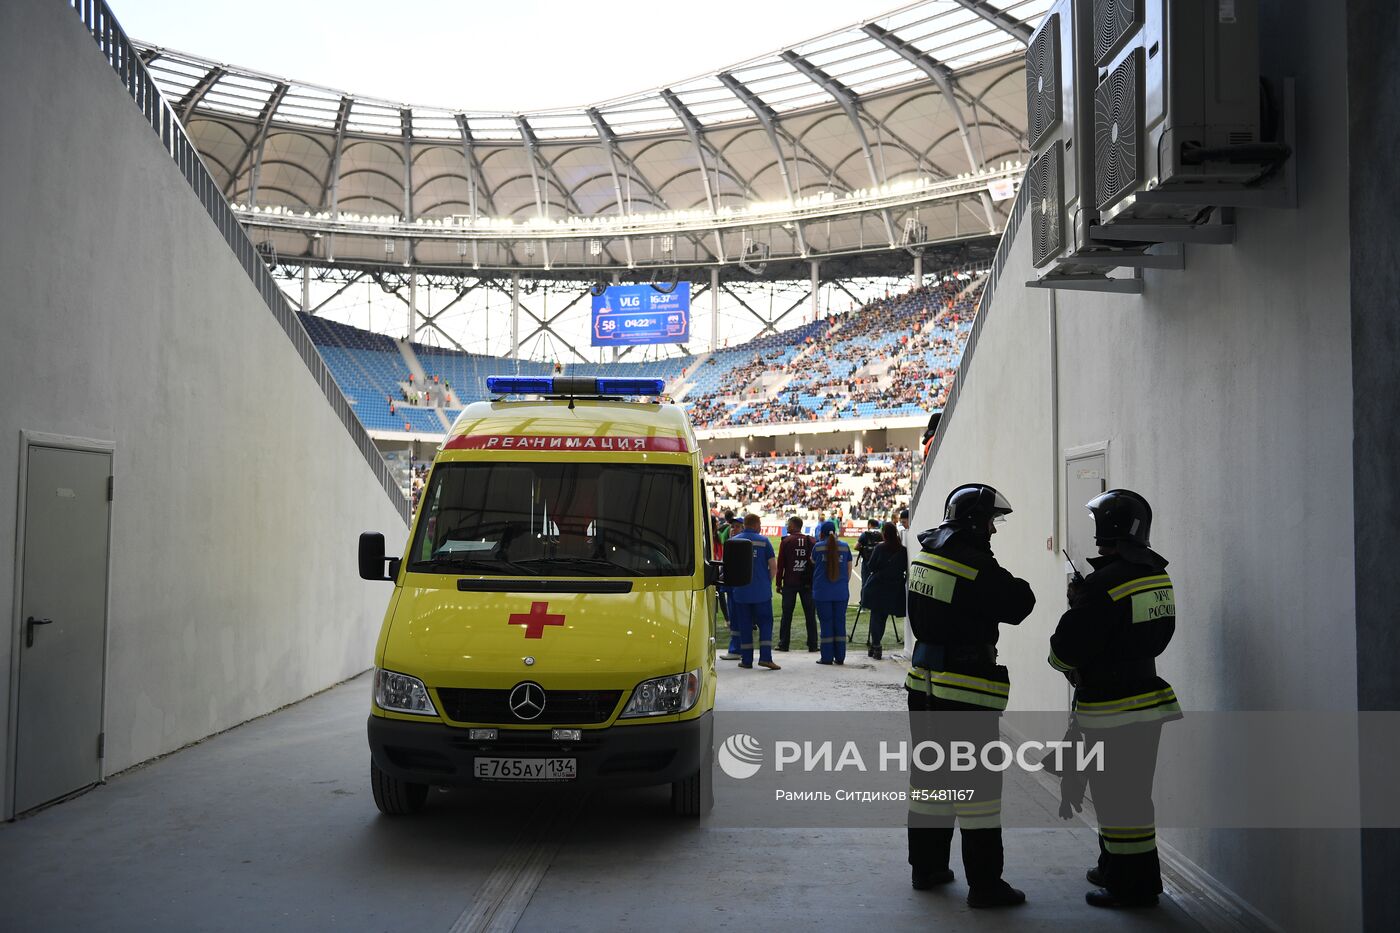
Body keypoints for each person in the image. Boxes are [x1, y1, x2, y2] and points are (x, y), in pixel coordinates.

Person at [1048, 489, 1181, 909]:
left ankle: (1131, 887)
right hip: (1148, 699)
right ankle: (1116, 867)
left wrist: (1077, 605)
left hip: (1109, 709)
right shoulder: (1157, 575)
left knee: (1117, 800)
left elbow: (1064, 651)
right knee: (1132, 794)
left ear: (1108, 530)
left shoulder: (1103, 584)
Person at [905, 483, 1035, 908]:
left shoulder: (928, 554)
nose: (994, 531)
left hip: (923, 686)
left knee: (931, 783)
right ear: (976, 522)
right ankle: (985, 885)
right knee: (979, 793)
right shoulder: (974, 564)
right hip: (965, 692)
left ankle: (927, 867)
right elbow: (1019, 603)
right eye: (992, 522)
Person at [727, 515, 780, 670]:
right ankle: (765, 658)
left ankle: (746, 660)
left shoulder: (733, 541)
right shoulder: (764, 541)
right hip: (761, 592)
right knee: (765, 623)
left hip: (741, 592)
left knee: (744, 625)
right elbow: (773, 567)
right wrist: (765, 581)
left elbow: (729, 568)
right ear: (756, 525)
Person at [860, 521, 906, 661]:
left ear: (884, 534)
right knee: (883, 617)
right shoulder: (902, 550)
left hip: (878, 586)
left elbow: (872, 566)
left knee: (876, 616)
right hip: (893, 588)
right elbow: (903, 567)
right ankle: (876, 646)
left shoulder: (880, 548)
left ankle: (876, 645)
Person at [810, 520, 852, 666]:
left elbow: (813, 562)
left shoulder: (818, 547)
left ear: (821, 533)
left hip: (822, 592)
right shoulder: (845, 547)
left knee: (826, 624)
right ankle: (840, 657)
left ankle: (826, 657)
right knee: (840, 623)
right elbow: (848, 571)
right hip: (840, 592)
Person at [775, 516, 816, 652]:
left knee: (787, 615)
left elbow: (781, 565)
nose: (787, 527)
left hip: (790, 582)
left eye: (788, 524)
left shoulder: (786, 541)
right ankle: (813, 644)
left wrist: (778, 582)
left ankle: (783, 644)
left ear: (793, 526)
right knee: (810, 614)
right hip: (807, 583)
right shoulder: (811, 540)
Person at [717, 511, 739, 660]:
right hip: (734, 587)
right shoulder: (732, 542)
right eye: (732, 526)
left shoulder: (737, 544)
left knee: (737, 619)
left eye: (737, 527)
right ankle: (739, 650)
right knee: (738, 619)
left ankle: (736, 650)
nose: (733, 529)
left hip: (736, 587)